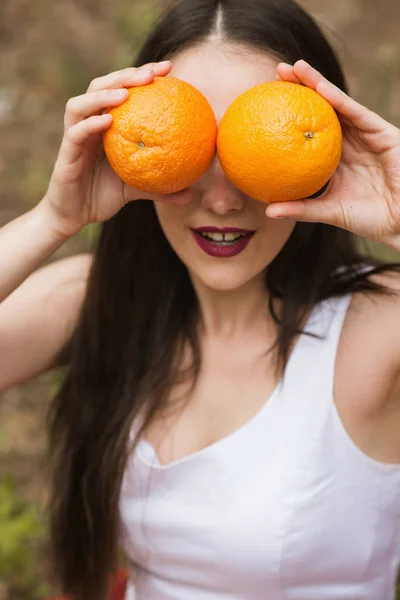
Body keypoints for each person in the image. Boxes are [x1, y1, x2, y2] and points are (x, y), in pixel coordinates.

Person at [1, 0, 400, 598]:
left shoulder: (376, 328)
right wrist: (52, 219)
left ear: (321, 144)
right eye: (195, 144)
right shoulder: (99, 299)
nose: (221, 200)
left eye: (247, 145)